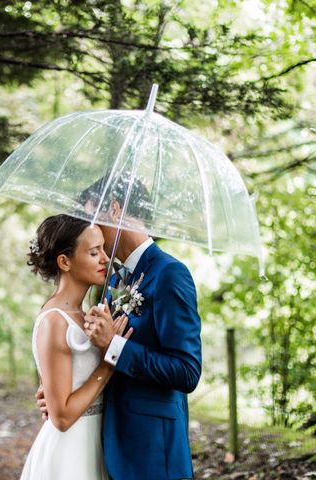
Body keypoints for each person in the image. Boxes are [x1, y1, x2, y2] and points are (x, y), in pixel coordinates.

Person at [37, 176, 203, 480]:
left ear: (114, 209)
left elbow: (187, 371)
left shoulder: (170, 274)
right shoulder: (114, 279)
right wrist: (63, 385)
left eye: (92, 217)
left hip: (153, 454)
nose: (91, 229)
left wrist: (116, 347)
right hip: (110, 447)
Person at [21, 214, 133, 480]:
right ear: (64, 261)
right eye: (95, 252)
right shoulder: (54, 321)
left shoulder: (84, 318)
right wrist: (109, 362)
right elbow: (61, 418)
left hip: (96, 440)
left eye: (104, 249)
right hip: (68, 452)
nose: (106, 259)